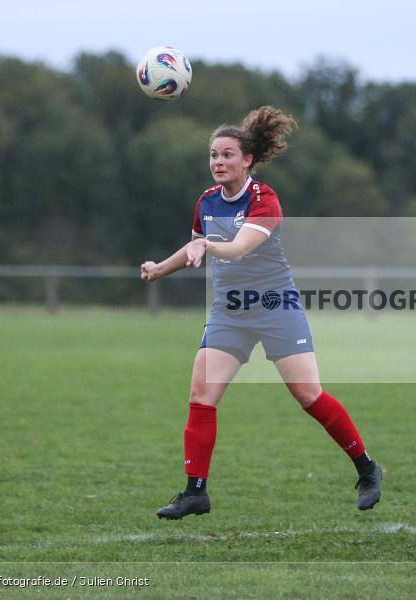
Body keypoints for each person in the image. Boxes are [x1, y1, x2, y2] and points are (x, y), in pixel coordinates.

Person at [140, 106, 382, 519]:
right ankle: (195, 491)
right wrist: (161, 268)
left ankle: (366, 467)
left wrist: (205, 246)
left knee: (308, 394)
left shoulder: (263, 199)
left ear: (247, 159)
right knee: (202, 396)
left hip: (274, 306)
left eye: (227, 154)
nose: (218, 162)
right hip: (230, 311)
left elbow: (235, 248)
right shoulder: (207, 201)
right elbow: (196, 245)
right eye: (214, 155)